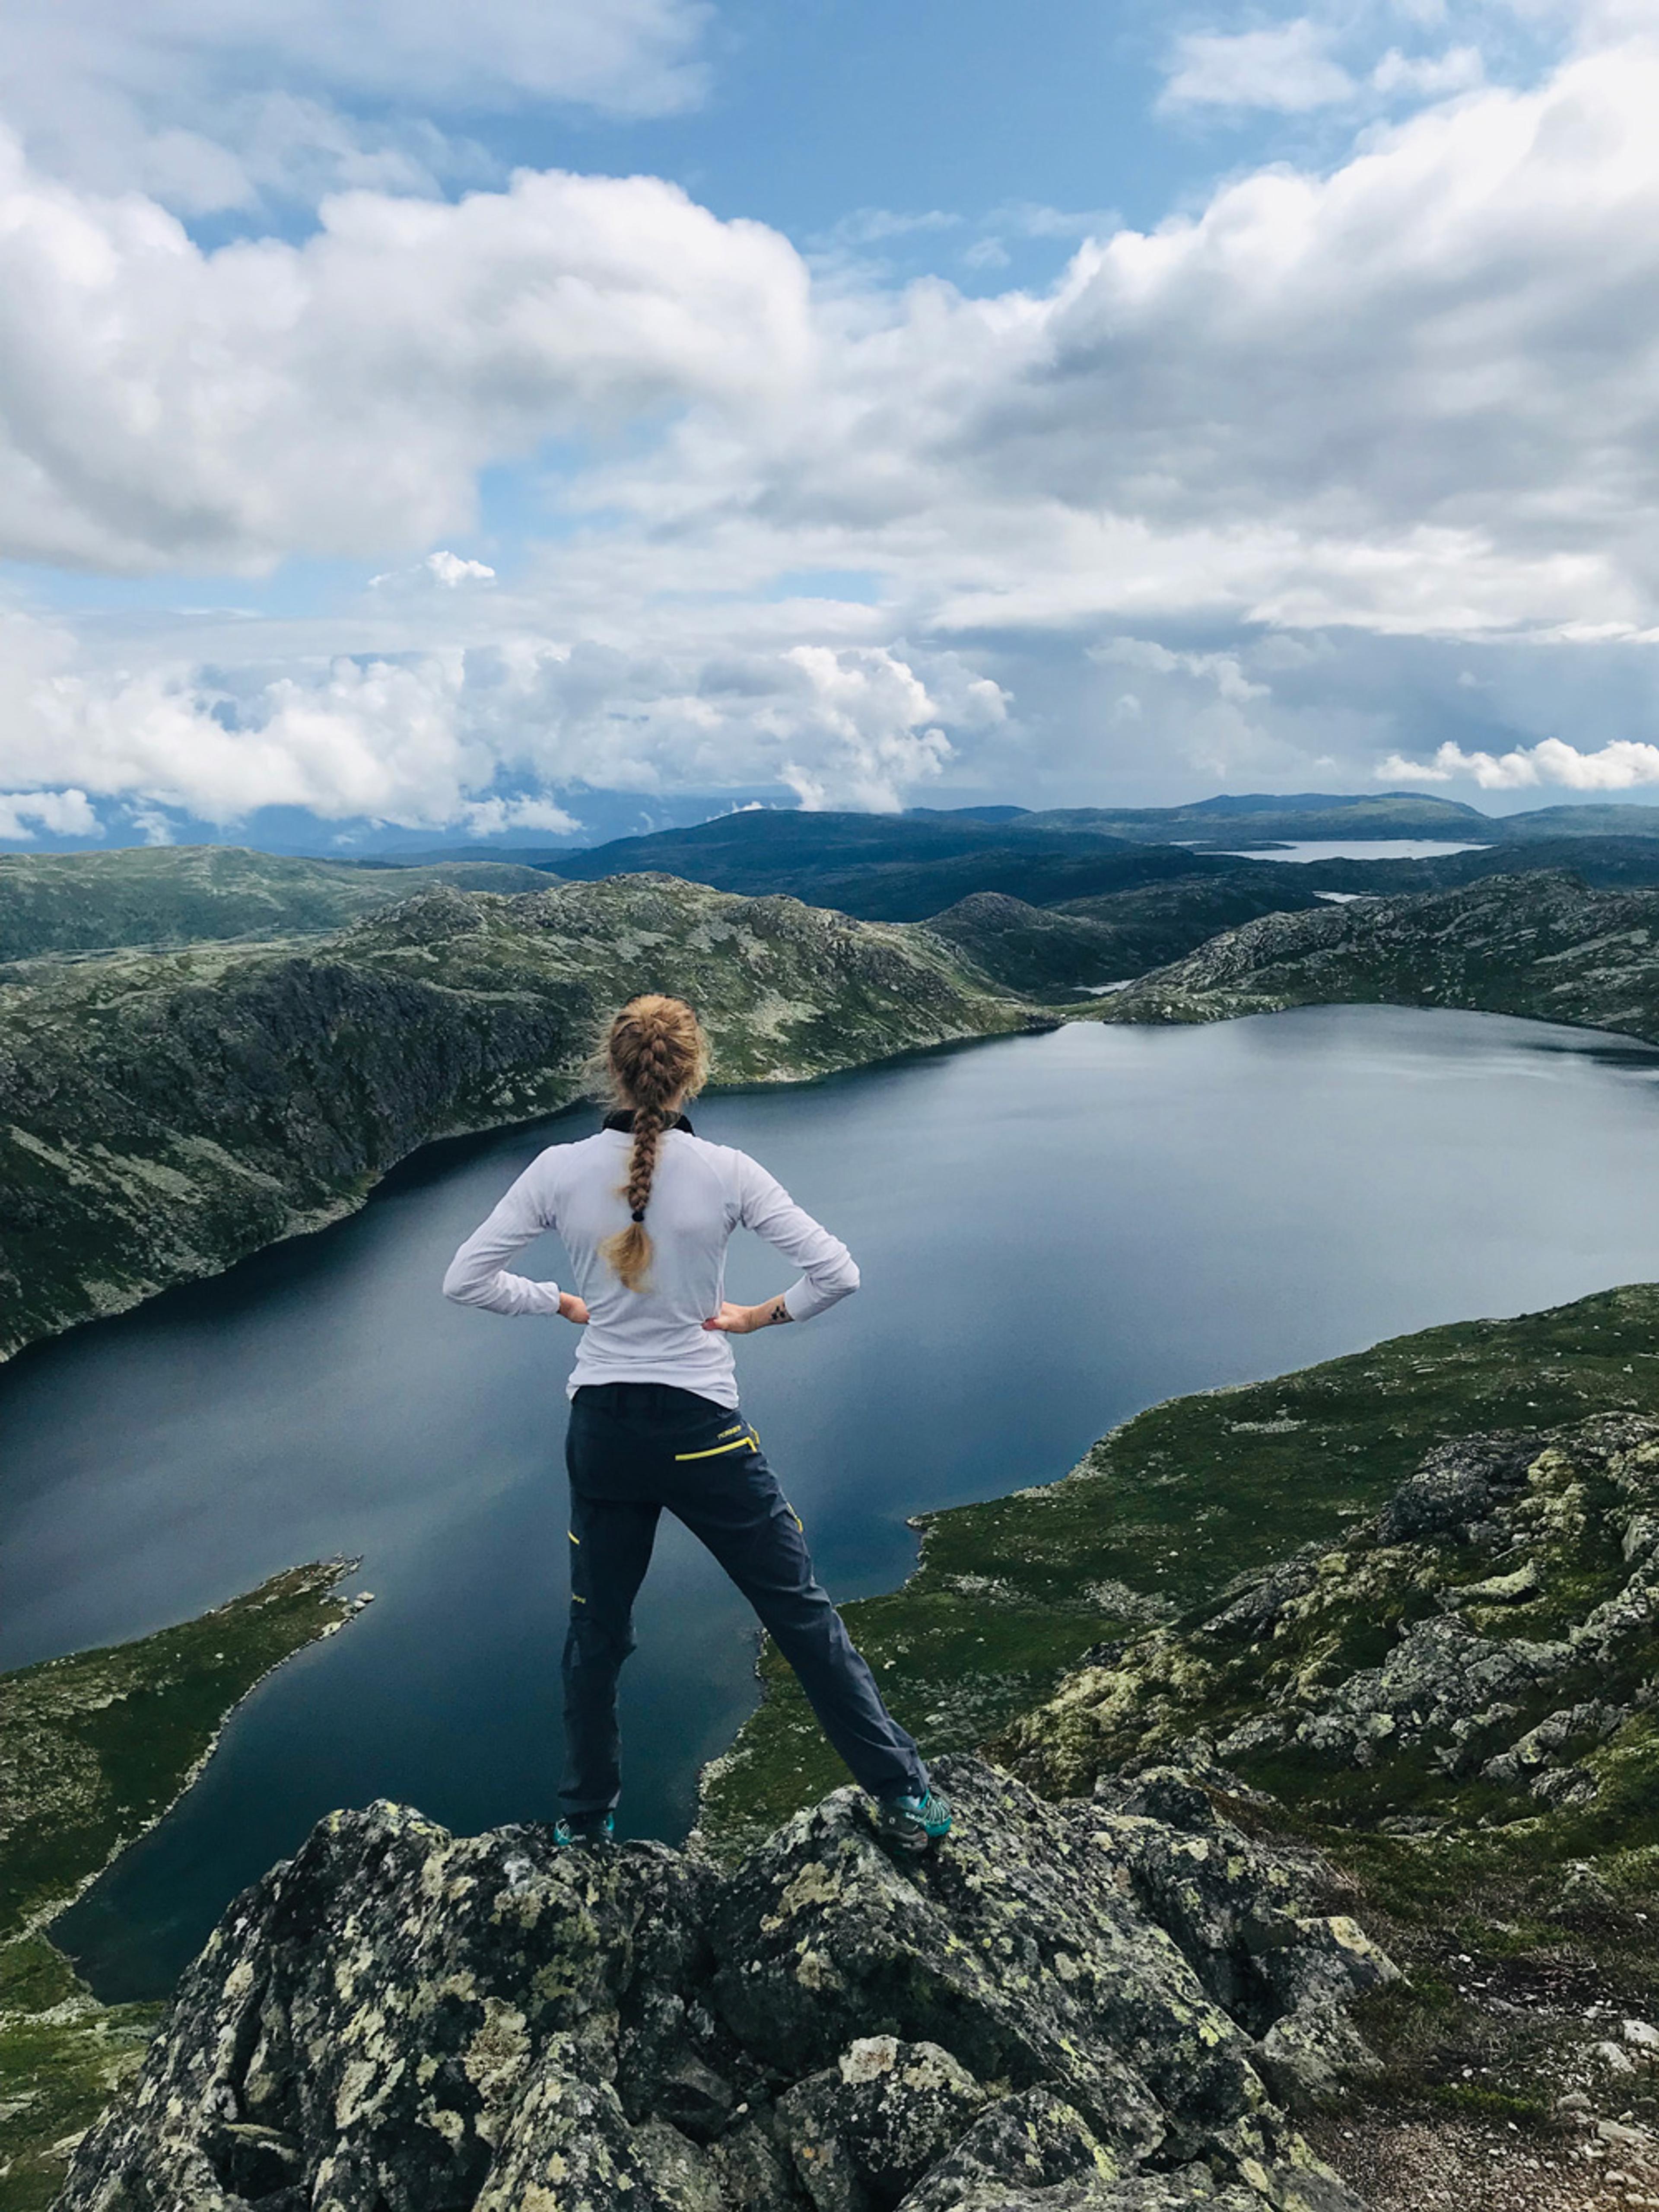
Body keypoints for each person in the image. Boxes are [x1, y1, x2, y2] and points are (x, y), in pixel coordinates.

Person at [442, 992, 951, 1854]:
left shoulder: (556, 1170)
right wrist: (758, 1318)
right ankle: (902, 1793)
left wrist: (557, 1300)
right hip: (703, 1431)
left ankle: (584, 1821)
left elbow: (465, 1278)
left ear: (612, 1068)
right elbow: (838, 1274)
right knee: (799, 1616)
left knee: (596, 1635)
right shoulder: (728, 1171)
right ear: (693, 1071)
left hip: (601, 1431)